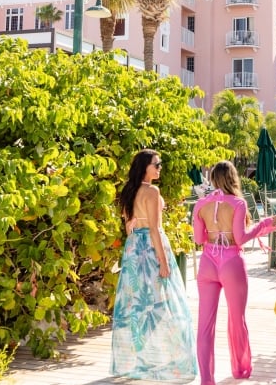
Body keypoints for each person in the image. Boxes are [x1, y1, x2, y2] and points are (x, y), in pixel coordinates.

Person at [192, 160, 276, 385]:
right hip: (230, 261)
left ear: (213, 178)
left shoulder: (200, 204)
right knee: (236, 319)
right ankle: (241, 369)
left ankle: (206, 380)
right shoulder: (238, 203)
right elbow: (240, 238)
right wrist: (264, 225)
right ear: (233, 177)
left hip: (207, 262)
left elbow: (198, 239)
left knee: (204, 325)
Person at [110, 149, 197, 382]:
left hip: (133, 248)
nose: (159, 167)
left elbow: (129, 226)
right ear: (145, 167)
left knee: (137, 304)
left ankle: (139, 355)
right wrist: (163, 260)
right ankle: (158, 358)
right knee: (163, 303)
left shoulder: (129, 190)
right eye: (156, 164)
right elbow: (155, 230)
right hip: (150, 247)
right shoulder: (152, 191)